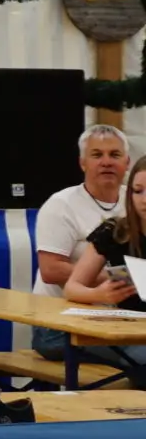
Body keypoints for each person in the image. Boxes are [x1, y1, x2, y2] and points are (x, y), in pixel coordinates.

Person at [55, 154, 146, 381]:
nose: (144, 199)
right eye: (137, 191)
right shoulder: (115, 231)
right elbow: (73, 287)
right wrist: (99, 294)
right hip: (127, 330)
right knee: (50, 338)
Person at [35, 125, 131, 300]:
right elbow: (50, 270)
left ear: (127, 163)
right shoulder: (61, 204)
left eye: (115, 155)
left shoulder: (135, 199)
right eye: (97, 155)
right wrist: (123, 280)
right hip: (59, 310)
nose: (106, 162)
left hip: (114, 310)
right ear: (82, 163)